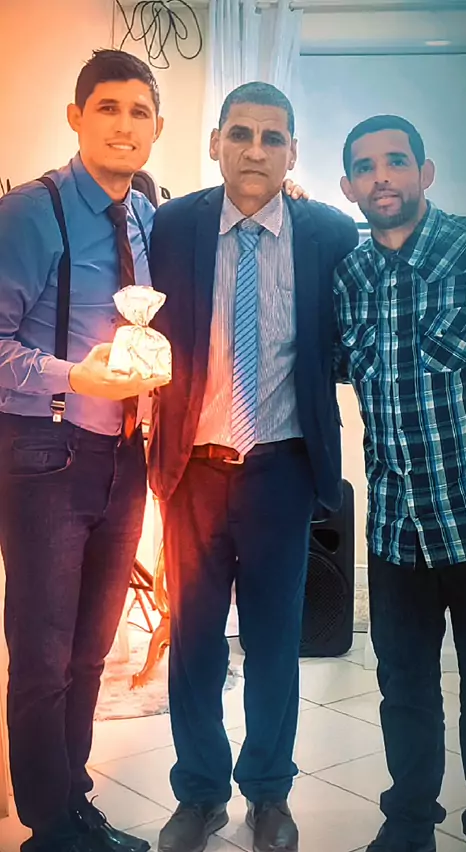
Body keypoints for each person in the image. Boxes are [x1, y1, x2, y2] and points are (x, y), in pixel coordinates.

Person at [146, 81, 358, 852]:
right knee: (194, 645)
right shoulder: (173, 225)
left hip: (282, 470)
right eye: (240, 134)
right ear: (215, 144)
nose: (256, 151)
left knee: (274, 645)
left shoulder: (330, 232)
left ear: (293, 152)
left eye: (273, 138)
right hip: (193, 472)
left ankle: (269, 793)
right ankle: (199, 793)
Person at [0, 49, 167, 852]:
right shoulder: (29, 212)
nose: (124, 125)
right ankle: (48, 827)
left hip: (123, 458)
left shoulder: (147, 212)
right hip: (45, 453)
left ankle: (73, 800)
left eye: (139, 112)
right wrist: (76, 376)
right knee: (41, 656)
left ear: (157, 127)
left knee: (93, 650)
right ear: (76, 117)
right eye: (108, 107)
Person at [334, 114, 466, 852]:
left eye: (396, 161)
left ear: (425, 172)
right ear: (348, 187)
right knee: (405, 689)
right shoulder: (350, 276)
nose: (381, 176)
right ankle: (409, 822)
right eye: (365, 167)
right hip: (396, 527)